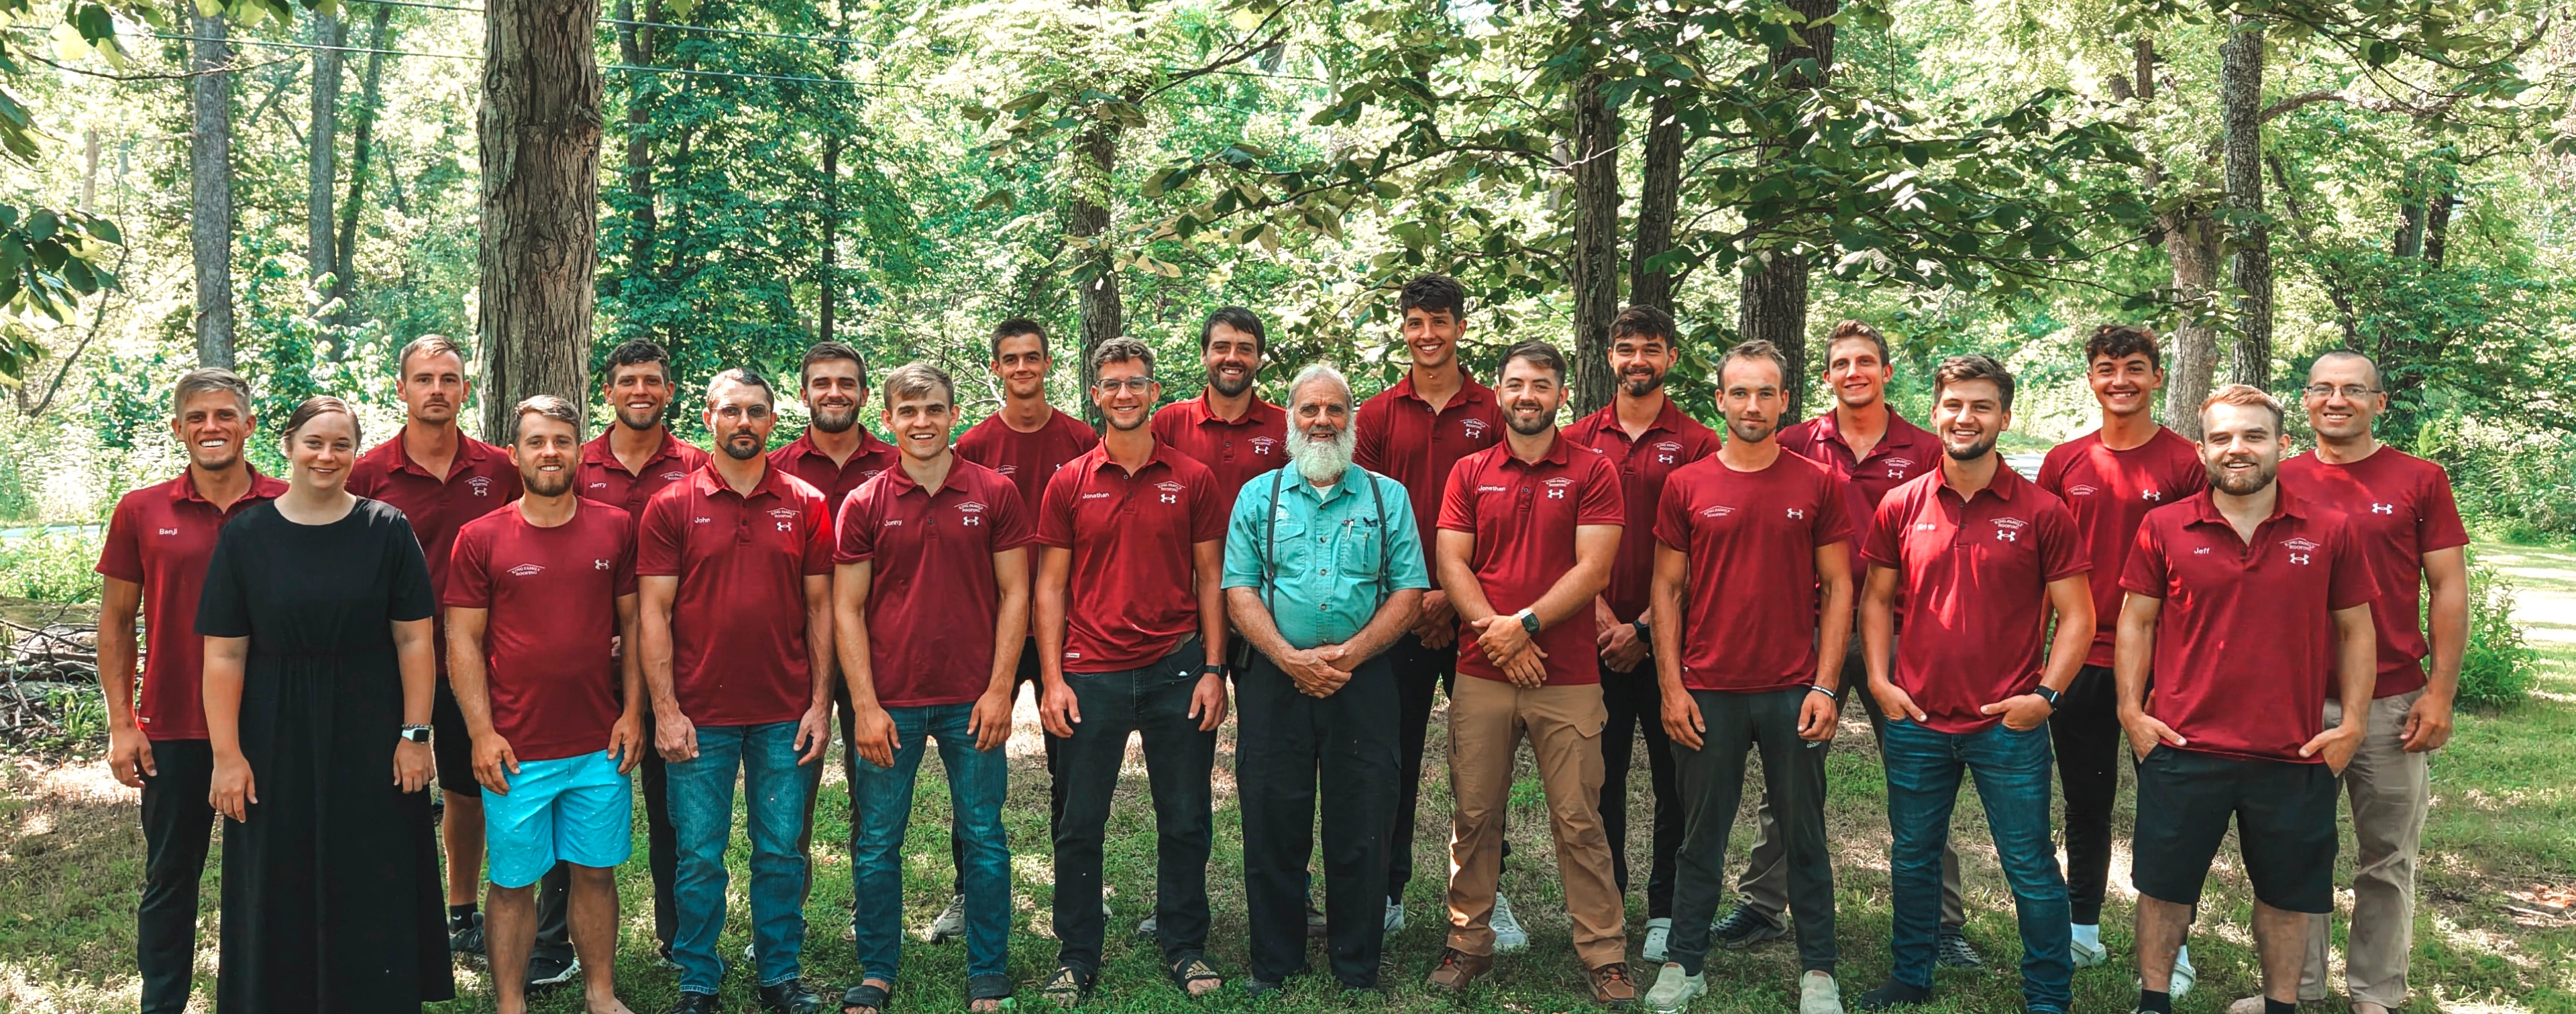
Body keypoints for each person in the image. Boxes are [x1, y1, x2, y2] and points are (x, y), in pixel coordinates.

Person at [2118, 384, 2378, 1014]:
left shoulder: (2330, 529)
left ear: (2282, 445)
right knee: (2164, 887)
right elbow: (2137, 622)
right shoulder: (2164, 527)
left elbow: (2356, 629)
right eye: (2223, 437)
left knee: (2289, 895)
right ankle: (2154, 1002)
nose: (2238, 449)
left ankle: (2281, 1005)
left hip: (2293, 751)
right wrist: (2132, 710)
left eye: (2254, 436)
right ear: (2204, 449)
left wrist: (2353, 725)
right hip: (2183, 745)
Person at [197, 396, 455, 1012]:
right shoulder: (246, 536)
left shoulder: (386, 528)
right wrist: (227, 756)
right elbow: (224, 656)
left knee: (373, 871)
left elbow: (415, 638)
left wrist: (416, 737)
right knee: (275, 877)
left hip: (372, 730)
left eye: (341, 444)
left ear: (355, 454)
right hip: (272, 732)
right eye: (314, 442)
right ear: (286, 445)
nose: (327, 455)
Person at [1851, 355, 2090, 1014]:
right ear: (1935, 413)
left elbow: (2080, 615)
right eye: (1954, 404)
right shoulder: (1900, 505)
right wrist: (1879, 679)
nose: (1966, 417)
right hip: (1917, 721)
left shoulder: (2042, 512)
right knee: (1913, 857)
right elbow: (1876, 600)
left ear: (2006, 418)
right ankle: (1911, 974)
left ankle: (2048, 995)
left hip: (2005, 727)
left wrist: (2044, 696)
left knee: (2031, 870)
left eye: (1982, 406)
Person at [1736, 321, 1970, 964]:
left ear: (1887, 373)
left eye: (1866, 362)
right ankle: (1762, 903)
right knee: (1789, 770)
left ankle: (1940, 922)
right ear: (1827, 376)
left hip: (1902, 630)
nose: (1854, 373)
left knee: (1921, 770)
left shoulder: (1926, 449)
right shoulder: (1795, 442)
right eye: (1841, 363)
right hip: (1809, 627)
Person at [1642, 341, 1853, 1014]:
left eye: (1766, 393)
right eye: (1740, 392)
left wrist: (1825, 686)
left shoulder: (1817, 483)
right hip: (1708, 690)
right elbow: (1666, 590)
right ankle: (1685, 960)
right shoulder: (1688, 484)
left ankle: (1818, 970)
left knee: (1804, 834)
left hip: (1793, 689)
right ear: (1721, 400)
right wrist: (1672, 689)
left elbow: (1841, 586)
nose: (1753, 405)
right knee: (1699, 835)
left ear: (1785, 401)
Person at [1427, 339, 1635, 1005]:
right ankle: (1467, 944)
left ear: (1560, 395)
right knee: (1475, 813)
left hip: (1567, 672)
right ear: (1500, 392)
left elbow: (1594, 569)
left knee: (1579, 819)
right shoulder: (1469, 471)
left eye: (1540, 385)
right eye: (1516, 384)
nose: (1527, 396)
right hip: (1480, 669)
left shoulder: (1594, 470)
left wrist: (1526, 627)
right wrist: (1498, 634)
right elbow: (1453, 564)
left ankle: (1604, 956)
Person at [2263, 351, 2468, 1014]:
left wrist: (2439, 692)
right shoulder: (2277, 478)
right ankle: (2296, 988)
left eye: (2353, 389)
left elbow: (2447, 589)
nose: (2336, 399)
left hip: (2392, 701)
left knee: (2386, 857)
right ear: (2306, 400)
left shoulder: (2420, 479)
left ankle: (2375, 992)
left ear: (2380, 402)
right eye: (2323, 389)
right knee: (2297, 850)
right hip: (2294, 702)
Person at [1032, 337, 1231, 1006]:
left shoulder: (1192, 477)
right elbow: (1050, 588)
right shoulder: (1069, 481)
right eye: (1112, 384)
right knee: (1079, 821)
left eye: (1136, 383)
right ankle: (1077, 951)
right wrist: (1054, 679)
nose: (1124, 394)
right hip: (1091, 674)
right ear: (1095, 395)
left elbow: (1211, 579)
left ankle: (1184, 944)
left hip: (1177, 668)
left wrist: (1213, 668)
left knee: (1184, 817)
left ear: (1153, 392)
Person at [1222, 363, 1429, 994]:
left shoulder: (1385, 498)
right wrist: (1290, 658)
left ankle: (1356, 965)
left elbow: (1409, 591)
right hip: (1275, 679)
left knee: (1362, 820)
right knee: (1272, 820)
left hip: (1361, 680)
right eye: (1309, 410)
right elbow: (1240, 590)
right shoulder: (1261, 495)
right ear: (1290, 418)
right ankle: (1275, 962)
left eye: (1333, 410)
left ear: (1352, 420)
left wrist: (1349, 655)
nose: (1321, 421)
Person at [833, 363, 1030, 1014]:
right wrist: (863, 705)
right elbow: (847, 610)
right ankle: (878, 969)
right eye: (909, 411)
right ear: (886, 418)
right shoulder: (863, 504)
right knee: (879, 840)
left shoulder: (994, 492)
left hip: (971, 700)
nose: (922, 422)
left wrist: (1000, 690)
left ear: (954, 414)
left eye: (935, 409)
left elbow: (1015, 592)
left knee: (983, 834)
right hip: (889, 702)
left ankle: (988, 970)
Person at [638, 370, 837, 1014]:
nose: (743, 422)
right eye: (731, 412)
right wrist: (665, 711)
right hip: (700, 715)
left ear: (773, 421)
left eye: (756, 411)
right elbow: (653, 615)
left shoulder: (805, 501)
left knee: (781, 852)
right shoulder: (672, 504)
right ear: (709, 418)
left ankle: (780, 974)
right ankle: (699, 979)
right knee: (699, 856)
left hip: (784, 711)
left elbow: (820, 608)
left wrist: (819, 704)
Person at [444, 396, 646, 1014]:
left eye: (562, 440)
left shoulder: (615, 527)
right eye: (536, 442)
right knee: (510, 883)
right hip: (515, 748)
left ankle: (601, 994)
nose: (550, 452)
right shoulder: (481, 537)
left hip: (597, 743)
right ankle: (511, 1004)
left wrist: (633, 713)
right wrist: (480, 732)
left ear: (580, 451)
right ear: (515, 455)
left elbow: (636, 628)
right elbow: (463, 641)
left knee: (595, 873)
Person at [95, 368, 287, 1014]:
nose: (213, 427)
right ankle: (164, 1004)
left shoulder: (290, 503)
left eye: (226, 415)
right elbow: (118, 622)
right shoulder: (141, 509)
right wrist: (122, 724)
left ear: (250, 425)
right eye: (198, 417)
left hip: (270, 724)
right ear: (178, 429)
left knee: (268, 883)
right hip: (174, 726)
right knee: (171, 880)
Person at [346, 335, 531, 972]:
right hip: (384, 660)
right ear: (401, 389)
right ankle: (383, 910)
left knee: (464, 789)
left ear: (465, 391)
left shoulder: (498, 471)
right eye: (423, 379)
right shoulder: (367, 473)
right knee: (385, 788)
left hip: (472, 661)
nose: (436, 391)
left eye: (449, 380)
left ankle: (460, 914)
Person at [2033, 325, 2207, 980]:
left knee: (2170, 806)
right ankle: (2082, 929)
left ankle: (2174, 946)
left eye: (2135, 368)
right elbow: (2038, 571)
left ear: (2157, 377)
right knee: (2086, 801)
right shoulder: (2064, 462)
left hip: (2164, 665)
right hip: (2080, 660)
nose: (2121, 380)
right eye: (2107, 368)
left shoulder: (2186, 462)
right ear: (2091, 379)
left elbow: (2203, 562)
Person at [1561, 305, 1719, 962]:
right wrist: (1604, 621)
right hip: (1590, 641)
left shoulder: (1701, 442)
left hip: (1673, 645)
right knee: (1599, 781)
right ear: (1609, 357)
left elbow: (1708, 551)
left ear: (1671, 359)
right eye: (1626, 348)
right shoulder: (1575, 439)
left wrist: (1646, 630)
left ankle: (1664, 910)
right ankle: (1607, 905)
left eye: (1651, 349)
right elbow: (1559, 540)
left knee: (1674, 778)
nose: (1637, 360)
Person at [1352, 274, 1507, 940]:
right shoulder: (1379, 414)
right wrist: (1414, 598)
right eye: (1416, 322)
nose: (1427, 334)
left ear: (1461, 328)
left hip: (1476, 612)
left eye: (1439, 322)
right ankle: (1387, 893)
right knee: (1394, 760)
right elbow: (1366, 514)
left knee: (1482, 765)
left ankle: (1486, 899)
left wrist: (1457, 597)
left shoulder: (1496, 410)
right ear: (1403, 329)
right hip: (1402, 614)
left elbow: (1509, 510)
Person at [943, 317, 1097, 943]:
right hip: (997, 626)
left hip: (1070, 624)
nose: (1023, 368)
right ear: (996, 370)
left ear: (1049, 363)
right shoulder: (975, 444)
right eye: (1010, 360)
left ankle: (1077, 886)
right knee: (977, 757)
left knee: (1074, 762)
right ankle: (964, 892)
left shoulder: (1084, 437)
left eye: (1032, 357)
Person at [575, 339, 706, 963]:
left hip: (667, 666)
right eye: (628, 380)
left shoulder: (699, 468)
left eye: (652, 380)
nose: (640, 391)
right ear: (608, 391)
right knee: (570, 799)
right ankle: (555, 942)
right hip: (581, 667)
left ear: (670, 391)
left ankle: (677, 937)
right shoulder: (574, 464)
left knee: (673, 810)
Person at [769, 341, 904, 919]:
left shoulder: (899, 463)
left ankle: (866, 913)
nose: (834, 392)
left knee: (872, 791)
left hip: (884, 652)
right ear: (804, 395)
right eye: (821, 383)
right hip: (798, 655)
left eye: (846, 382)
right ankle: (783, 920)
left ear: (865, 395)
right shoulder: (774, 468)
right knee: (790, 799)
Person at [1152, 306, 1289, 501]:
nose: (1232, 357)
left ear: (1259, 359)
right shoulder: (1169, 422)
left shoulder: (1285, 425)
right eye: (1221, 347)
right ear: (1203, 355)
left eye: (1244, 349)